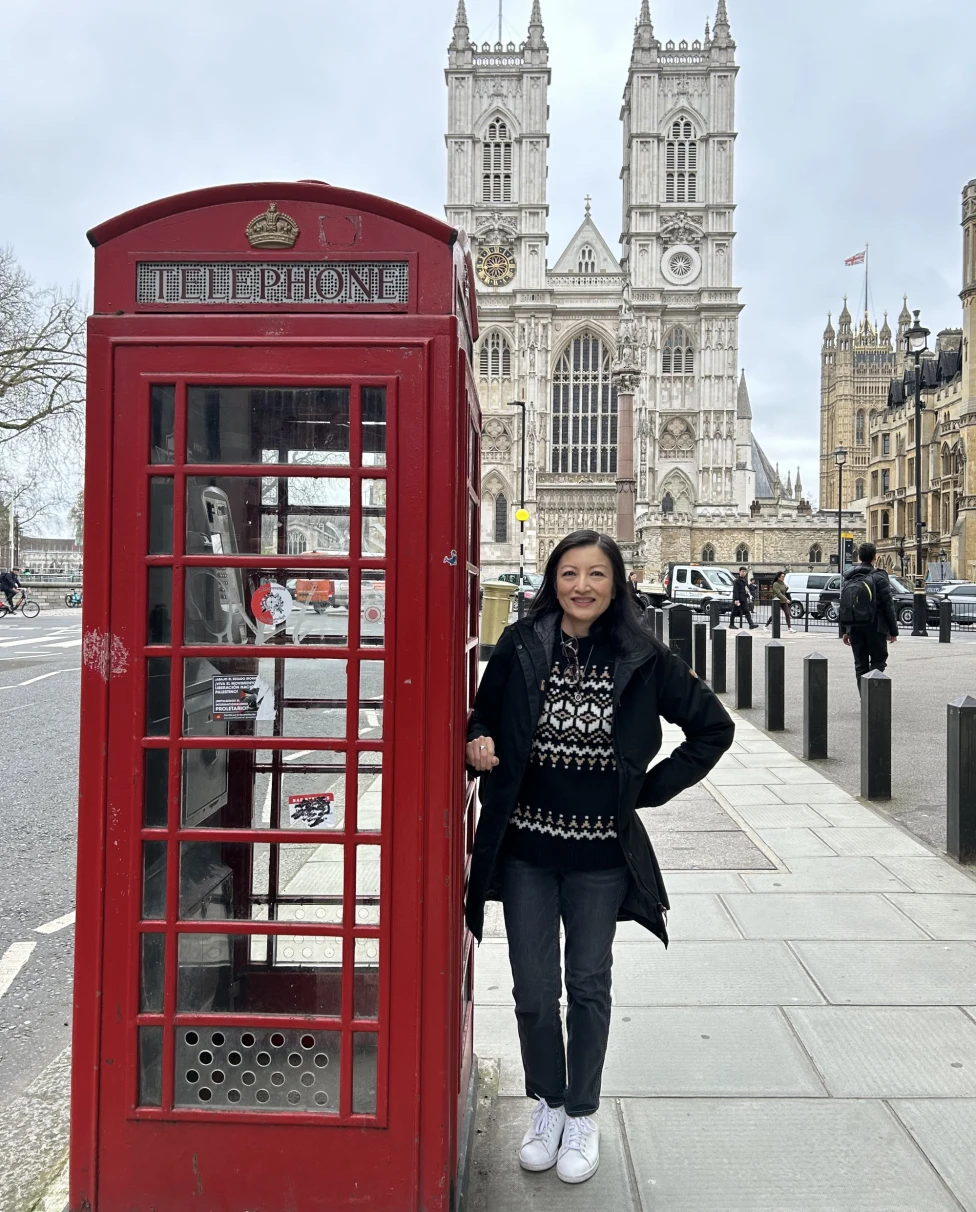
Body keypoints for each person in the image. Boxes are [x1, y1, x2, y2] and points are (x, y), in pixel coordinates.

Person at [465, 530, 734, 1185]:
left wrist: (643, 790)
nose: (581, 586)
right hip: (526, 847)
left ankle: (582, 1112)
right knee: (533, 990)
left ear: (616, 583)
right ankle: (548, 1105)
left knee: (588, 987)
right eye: (569, 573)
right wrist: (477, 742)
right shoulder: (521, 645)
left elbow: (712, 729)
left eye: (596, 574)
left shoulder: (643, 655)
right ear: (552, 580)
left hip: (599, 857)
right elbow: (482, 716)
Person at [839, 541, 898, 689]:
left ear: (859, 557)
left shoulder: (849, 576)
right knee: (879, 661)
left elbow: (844, 605)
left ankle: (864, 699)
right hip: (875, 626)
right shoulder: (879, 576)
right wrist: (893, 631)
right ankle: (872, 695)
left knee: (860, 665)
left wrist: (845, 630)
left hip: (854, 626)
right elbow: (888, 604)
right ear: (875, 557)